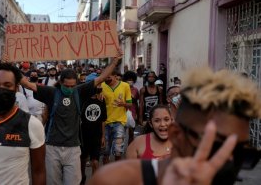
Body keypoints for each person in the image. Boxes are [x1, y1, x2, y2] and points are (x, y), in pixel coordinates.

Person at [88, 67, 261, 185]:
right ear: (176, 134)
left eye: (241, 153)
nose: (228, 161)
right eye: (216, 146)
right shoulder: (117, 179)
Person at [20, 51, 122, 185]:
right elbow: (27, 84)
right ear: (60, 82)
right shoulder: (51, 92)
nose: (69, 89)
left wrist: (115, 61)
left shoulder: (79, 91)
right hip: (52, 148)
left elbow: (101, 78)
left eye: (72, 86)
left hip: (73, 149)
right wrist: (8, 65)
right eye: (66, 86)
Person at [80, 74, 107, 184]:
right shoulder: (82, 99)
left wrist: (103, 136)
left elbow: (103, 119)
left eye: (100, 85)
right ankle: (82, 178)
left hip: (96, 134)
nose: (99, 87)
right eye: (97, 85)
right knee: (82, 160)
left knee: (95, 162)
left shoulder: (101, 100)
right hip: (83, 134)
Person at [102, 70, 132, 164]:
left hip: (119, 122)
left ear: (115, 76)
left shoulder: (125, 86)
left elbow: (130, 104)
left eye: (108, 77)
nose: (106, 79)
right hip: (105, 122)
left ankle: (116, 172)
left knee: (118, 152)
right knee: (105, 151)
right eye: (105, 77)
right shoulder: (102, 86)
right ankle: (105, 174)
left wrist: (123, 104)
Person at [122, 71, 140, 143]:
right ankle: (120, 149)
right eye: (128, 79)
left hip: (132, 112)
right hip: (123, 112)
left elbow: (137, 102)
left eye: (132, 80)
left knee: (131, 133)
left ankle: (130, 148)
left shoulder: (135, 90)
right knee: (121, 133)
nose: (130, 81)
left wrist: (137, 115)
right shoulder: (122, 88)